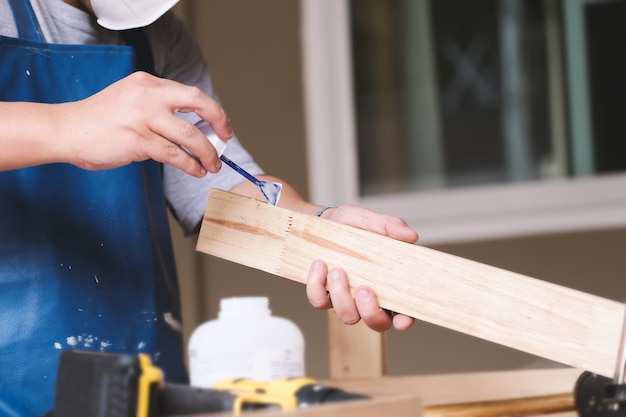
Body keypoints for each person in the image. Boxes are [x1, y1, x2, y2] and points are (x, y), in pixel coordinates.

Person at [0, 0, 419, 416]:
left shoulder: (155, 37)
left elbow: (224, 193)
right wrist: (67, 127)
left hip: (139, 390)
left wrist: (323, 230)